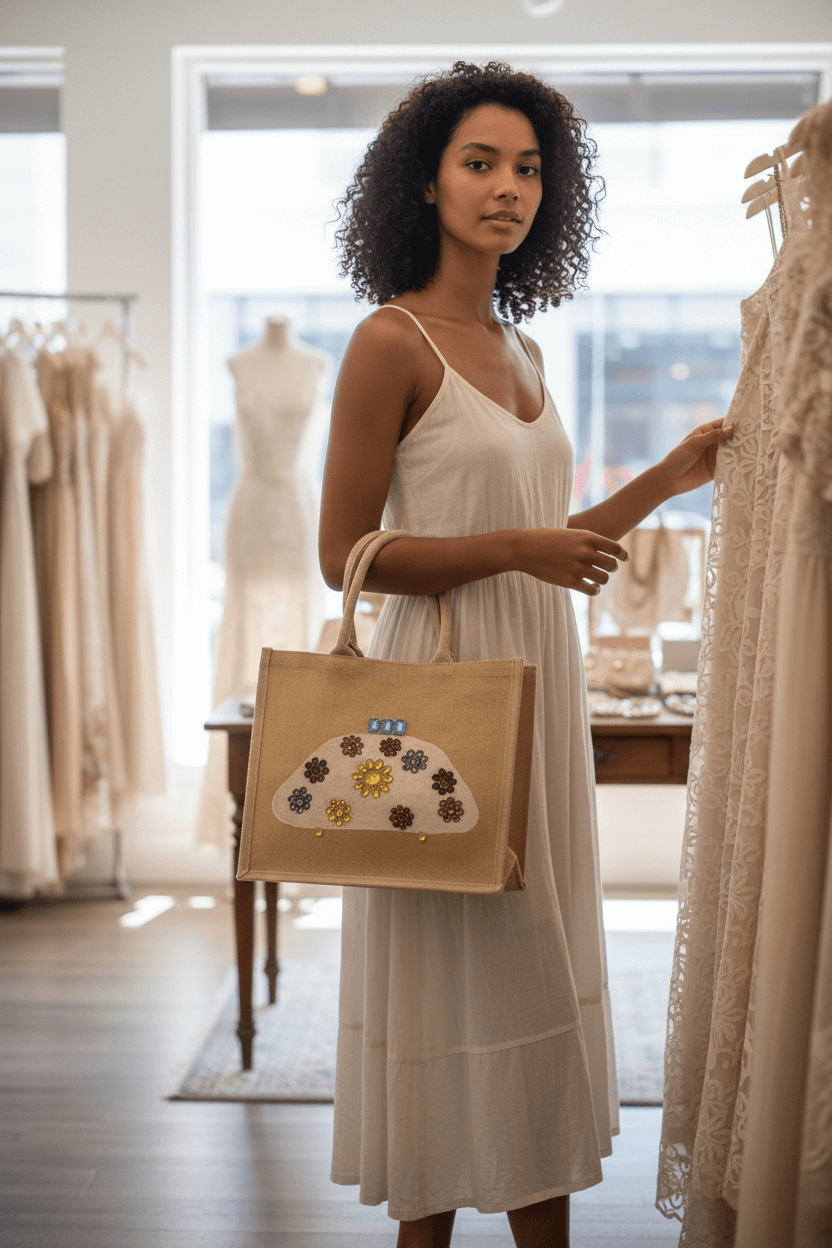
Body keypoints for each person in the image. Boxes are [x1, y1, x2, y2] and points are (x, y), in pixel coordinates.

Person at [318, 61, 733, 1248]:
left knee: (529, 963)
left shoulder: (524, 350)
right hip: (445, 690)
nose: (509, 188)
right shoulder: (388, 342)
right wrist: (511, 549)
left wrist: (666, 477)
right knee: (465, 966)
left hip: (534, 687)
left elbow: (559, 549)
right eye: (481, 163)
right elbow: (342, 549)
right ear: (427, 181)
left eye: (530, 168)